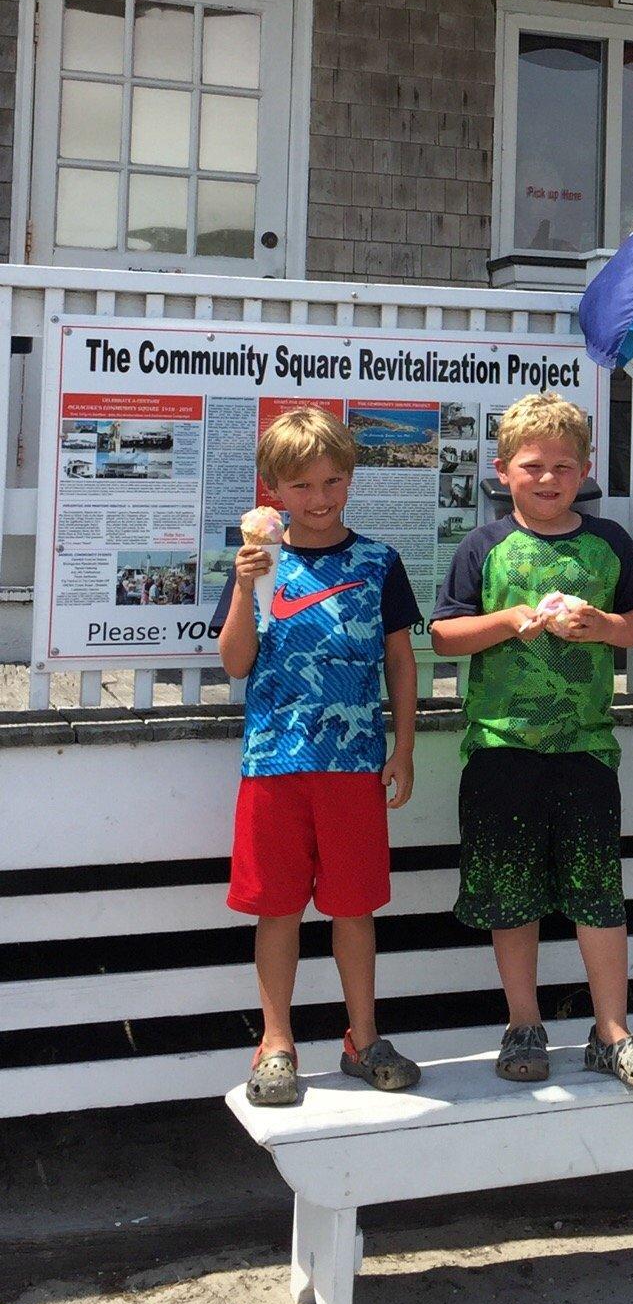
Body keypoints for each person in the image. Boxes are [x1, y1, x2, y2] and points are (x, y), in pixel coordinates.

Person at [430, 393, 633, 1092]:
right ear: (503, 471)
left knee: (598, 890)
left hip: (585, 748)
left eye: (563, 466)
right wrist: (509, 620)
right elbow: (445, 636)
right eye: (533, 466)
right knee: (510, 893)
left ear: (586, 470)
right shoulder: (483, 546)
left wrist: (601, 625)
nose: (548, 479)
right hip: (500, 746)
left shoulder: (609, 543)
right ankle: (523, 1023)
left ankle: (613, 1031)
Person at [215, 404, 422, 1108]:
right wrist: (245, 586)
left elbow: (400, 660)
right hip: (273, 764)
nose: (322, 498)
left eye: (334, 481)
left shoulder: (378, 563)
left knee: (354, 909)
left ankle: (363, 1038)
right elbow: (236, 662)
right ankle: (276, 1044)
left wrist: (405, 747)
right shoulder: (260, 564)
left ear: (350, 479)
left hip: (355, 766)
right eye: (303, 486)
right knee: (277, 910)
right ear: (274, 489)